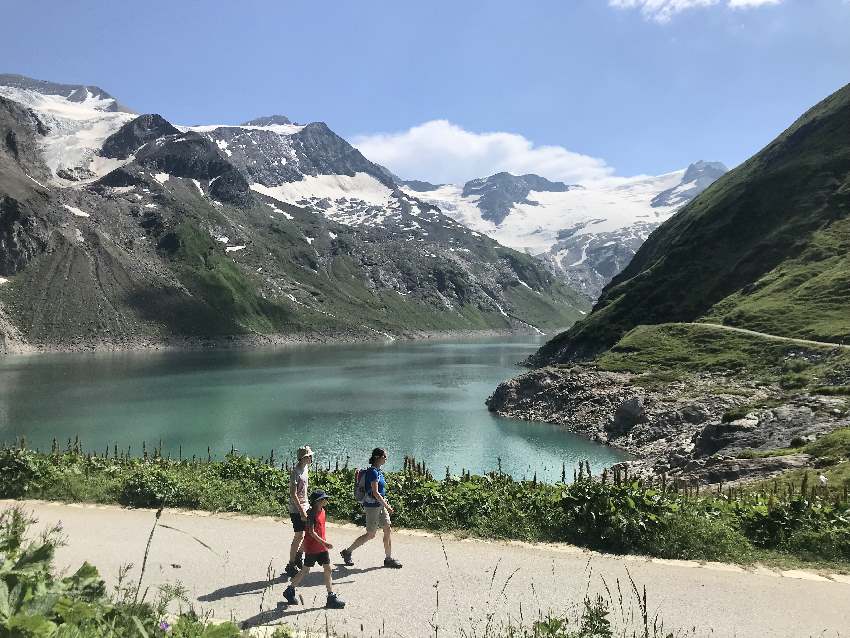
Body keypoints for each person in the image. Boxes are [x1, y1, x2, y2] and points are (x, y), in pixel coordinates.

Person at [340, 447, 402, 569]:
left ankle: (388, 559)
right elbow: (375, 493)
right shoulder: (372, 472)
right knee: (370, 534)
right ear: (377, 457)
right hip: (373, 506)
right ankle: (347, 552)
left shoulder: (378, 471)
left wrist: (384, 504)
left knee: (387, 529)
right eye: (384, 456)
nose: (386, 458)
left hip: (380, 504)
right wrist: (387, 506)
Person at [283, 490, 346, 609]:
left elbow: (320, 529)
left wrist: (323, 543)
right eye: (324, 499)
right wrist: (325, 542)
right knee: (305, 571)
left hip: (321, 547)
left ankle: (331, 597)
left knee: (328, 569)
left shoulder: (322, 511)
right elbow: (311, 532)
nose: (326, 500)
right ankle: (290, 590)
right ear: (318, 501)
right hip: (312, 548)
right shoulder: (311, 514)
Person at [284, 445, 313, 578]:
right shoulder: (295, 472)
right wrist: (301, 511)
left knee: (309, 533)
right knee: (299, 535)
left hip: (306, 506)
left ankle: (298, 556)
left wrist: (307, 505)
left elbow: (304, 489)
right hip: (296, 509)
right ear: (302, 458)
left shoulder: (305, 468)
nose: (311, 457)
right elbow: (293, 494)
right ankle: (290, 564)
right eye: (309, 456)